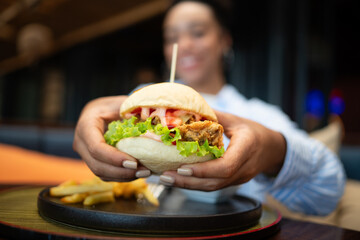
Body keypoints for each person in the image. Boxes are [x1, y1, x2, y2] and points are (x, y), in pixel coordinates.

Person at [73, 0, 345, 216]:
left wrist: (272, 149)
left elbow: (329, 191)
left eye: (198, 32)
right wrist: (91, 109)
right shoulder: (142, 97)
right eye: (171, 38)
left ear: (224, 40)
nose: (184, 45)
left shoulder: (257, 114)